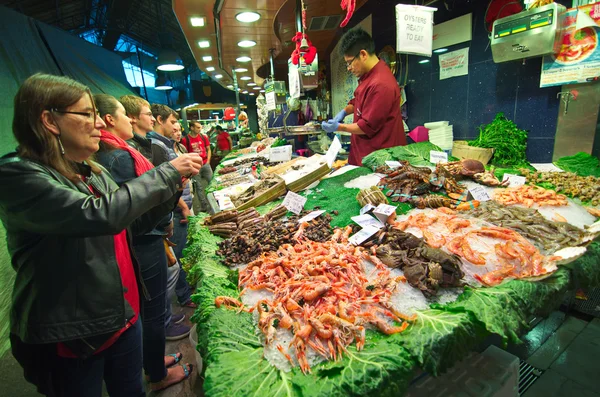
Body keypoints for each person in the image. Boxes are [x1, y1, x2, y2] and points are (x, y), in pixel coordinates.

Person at [0, 74, 203, 396]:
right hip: (73, 331)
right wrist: (166, 173)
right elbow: (98, 215)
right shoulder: (18, 175)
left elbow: (130, 223)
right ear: (49, 120)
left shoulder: (91, 170)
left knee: (131, 390)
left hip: (120, 316)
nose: (99, 124)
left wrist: (172, 187)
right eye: (87, 114)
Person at [119, 96, 191, 387]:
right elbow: (133, 203)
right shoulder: (120, 156)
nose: (96, 123)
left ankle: (153, 360)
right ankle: (156, 373)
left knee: (154, 300)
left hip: (153, 232)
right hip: (145, 239)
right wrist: (172, 183)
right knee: (151, 304)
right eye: (146, 113)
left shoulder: (136, 148)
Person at [321, 27, 406, 166]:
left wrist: (339, 127)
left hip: (380, 159)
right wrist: (344, 112)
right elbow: (358, 101)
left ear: (363, 54)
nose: (348, 68)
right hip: (364, 153)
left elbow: (366, 126)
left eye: (349, 62)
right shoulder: (368, 76)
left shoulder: (381, 84)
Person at [182, 120, 213, 214]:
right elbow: (184, 154)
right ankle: (204, 207)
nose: (200, 129)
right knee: (199, 187)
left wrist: (208, 161)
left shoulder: (203, 137)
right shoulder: (185, 140)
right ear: (192, 128)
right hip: (195, 167)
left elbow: (208, 149)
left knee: (212, 183)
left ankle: (217, 202)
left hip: (205, 164)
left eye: (200, 127)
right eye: (198, 127)